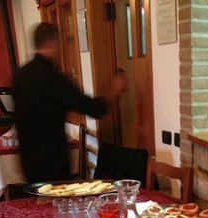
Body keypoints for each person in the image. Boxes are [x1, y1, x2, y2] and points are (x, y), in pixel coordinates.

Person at [13, 22, 126, 183]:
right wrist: (114, 92)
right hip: (52, 162)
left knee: (37, 204)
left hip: (28, 160)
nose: (61, 48)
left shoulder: (21, 75)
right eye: (59, 42)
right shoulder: (52, 77)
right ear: (52, 41)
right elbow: (92, 108)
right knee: (56, 206)